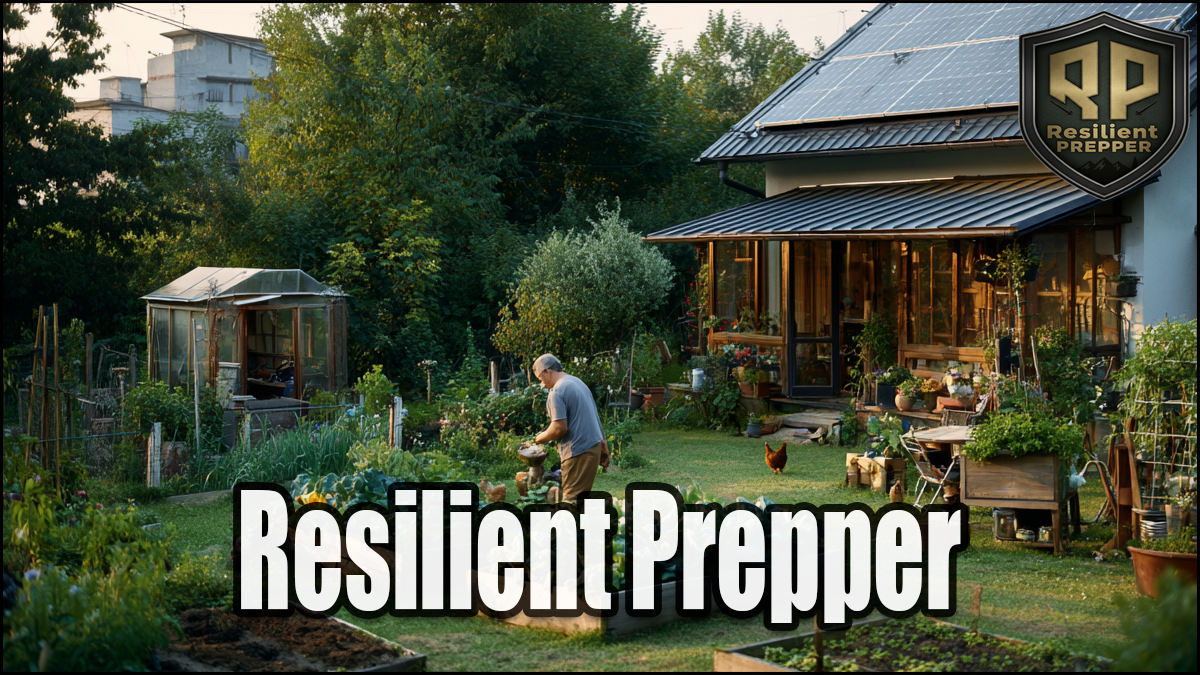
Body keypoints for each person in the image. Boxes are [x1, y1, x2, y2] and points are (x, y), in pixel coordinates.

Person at [532, 354, 609, 507]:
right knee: (580, 502)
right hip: (592, 447)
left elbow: (559, 428)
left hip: (578, 451)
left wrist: (539, 438)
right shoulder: (577, 382)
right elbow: (593, 415)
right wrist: (603, 445)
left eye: (541, 379)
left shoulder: (557, 391)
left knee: (571, 503)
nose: (543, 385)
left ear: (548, 371)